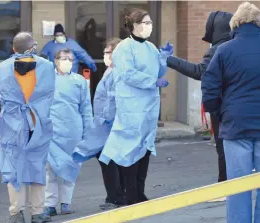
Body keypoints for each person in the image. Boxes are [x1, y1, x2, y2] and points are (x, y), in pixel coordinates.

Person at [99, 8, 172, 206]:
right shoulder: (124, 48)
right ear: (134, 25)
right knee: (131, 150)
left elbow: (159, 70)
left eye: (150, 23)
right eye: (145, 23)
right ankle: (130, 194)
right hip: (131, 106)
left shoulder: (150, 48)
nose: (149, 26)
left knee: (145, 149)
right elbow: (127, 74)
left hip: (148, 107)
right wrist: (152, 81)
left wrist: (164, 58)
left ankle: (140, 192)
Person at [201, 2, 260, 222]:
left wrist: (218, 113)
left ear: (235, 23)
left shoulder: (224, 51)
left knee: (237, 187)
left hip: (236, 126)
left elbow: (209, 86)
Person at [167, 11, 232, 201]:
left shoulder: (219, 49)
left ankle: (225, 186)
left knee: (224, 148)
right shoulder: (237, 45)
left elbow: (200, 71)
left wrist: (169, 60)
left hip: (224, 108)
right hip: (240, 107)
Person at [0, 32, 55, 223]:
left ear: (13, 49)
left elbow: (2, 96)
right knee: (38, 165)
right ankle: (38, 212)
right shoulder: (46, 66)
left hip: (13, 124)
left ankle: (16, 213)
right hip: (37, 122)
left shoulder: (4, 67)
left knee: (15, 167)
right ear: (34, 47)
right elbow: (49, 95)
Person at [72, 38, 126, 210]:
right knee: (112, 162)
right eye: (105, 52)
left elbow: (114, 100)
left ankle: (115, 198)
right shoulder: (110, 70)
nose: (105, 55)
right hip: (106, 125)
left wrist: (105, 120)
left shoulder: (117, 72)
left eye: (109, 52)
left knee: (108, 161)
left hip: (110, 125)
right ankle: (117, 196)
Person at [44, 49, 93, 216]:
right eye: (64, 58)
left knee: (71, 167)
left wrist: (89, 131)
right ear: (55, 60)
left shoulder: (79, 81)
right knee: (49, 170)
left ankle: (66, 202)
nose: (67, 61)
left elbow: (86, 107)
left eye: (70, 59)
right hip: (52, 131)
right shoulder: (47, 79)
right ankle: (49, 204)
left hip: (73, 131)